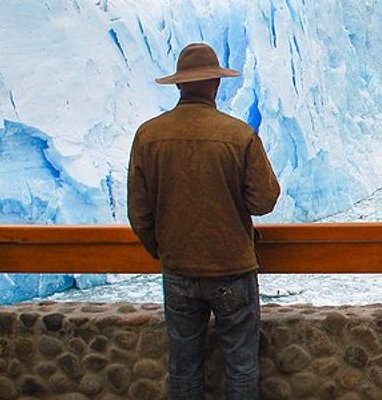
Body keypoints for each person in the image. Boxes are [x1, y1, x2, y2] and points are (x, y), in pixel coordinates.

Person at [128, 43, 280, 400]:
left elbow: (139, 211)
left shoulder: (148, 136)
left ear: (180, 85)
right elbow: (264, 200)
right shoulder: (238, 135)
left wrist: (164, 249)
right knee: (241, 366)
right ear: (215, 84)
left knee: (184, 366)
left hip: (178, 268)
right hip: (232, 268)